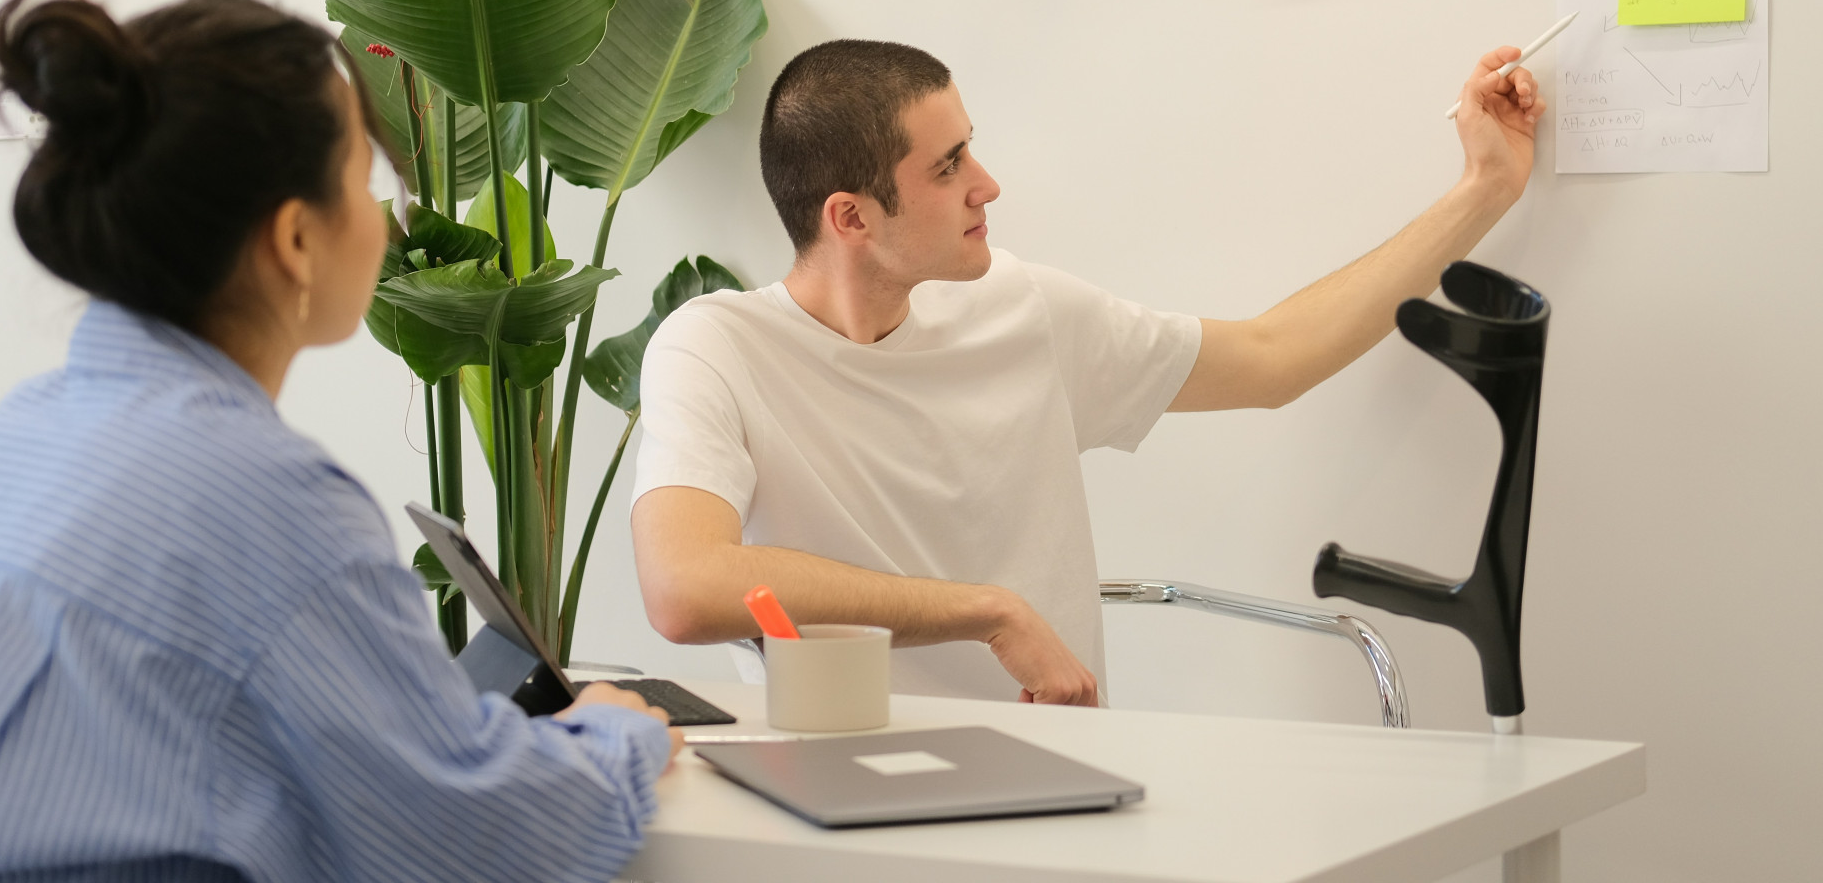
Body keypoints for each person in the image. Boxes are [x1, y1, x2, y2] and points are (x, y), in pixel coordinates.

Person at [0, 0, 680, 882]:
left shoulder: (22, 431)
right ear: (296, 239)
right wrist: (614, 734)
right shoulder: (261, 492)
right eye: (362, 179)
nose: (384, 218)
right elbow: (482, 843)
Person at [630, 38, 1545, 705]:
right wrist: (988, 613)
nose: (987, 183)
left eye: (970, 147)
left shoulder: (1020, 309)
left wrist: (1486, 187)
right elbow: (684, 586)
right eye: (947, 167)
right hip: (833, 793)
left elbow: (1276, 357)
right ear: (852, 217)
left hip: (1056, 783)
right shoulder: (716, 348)